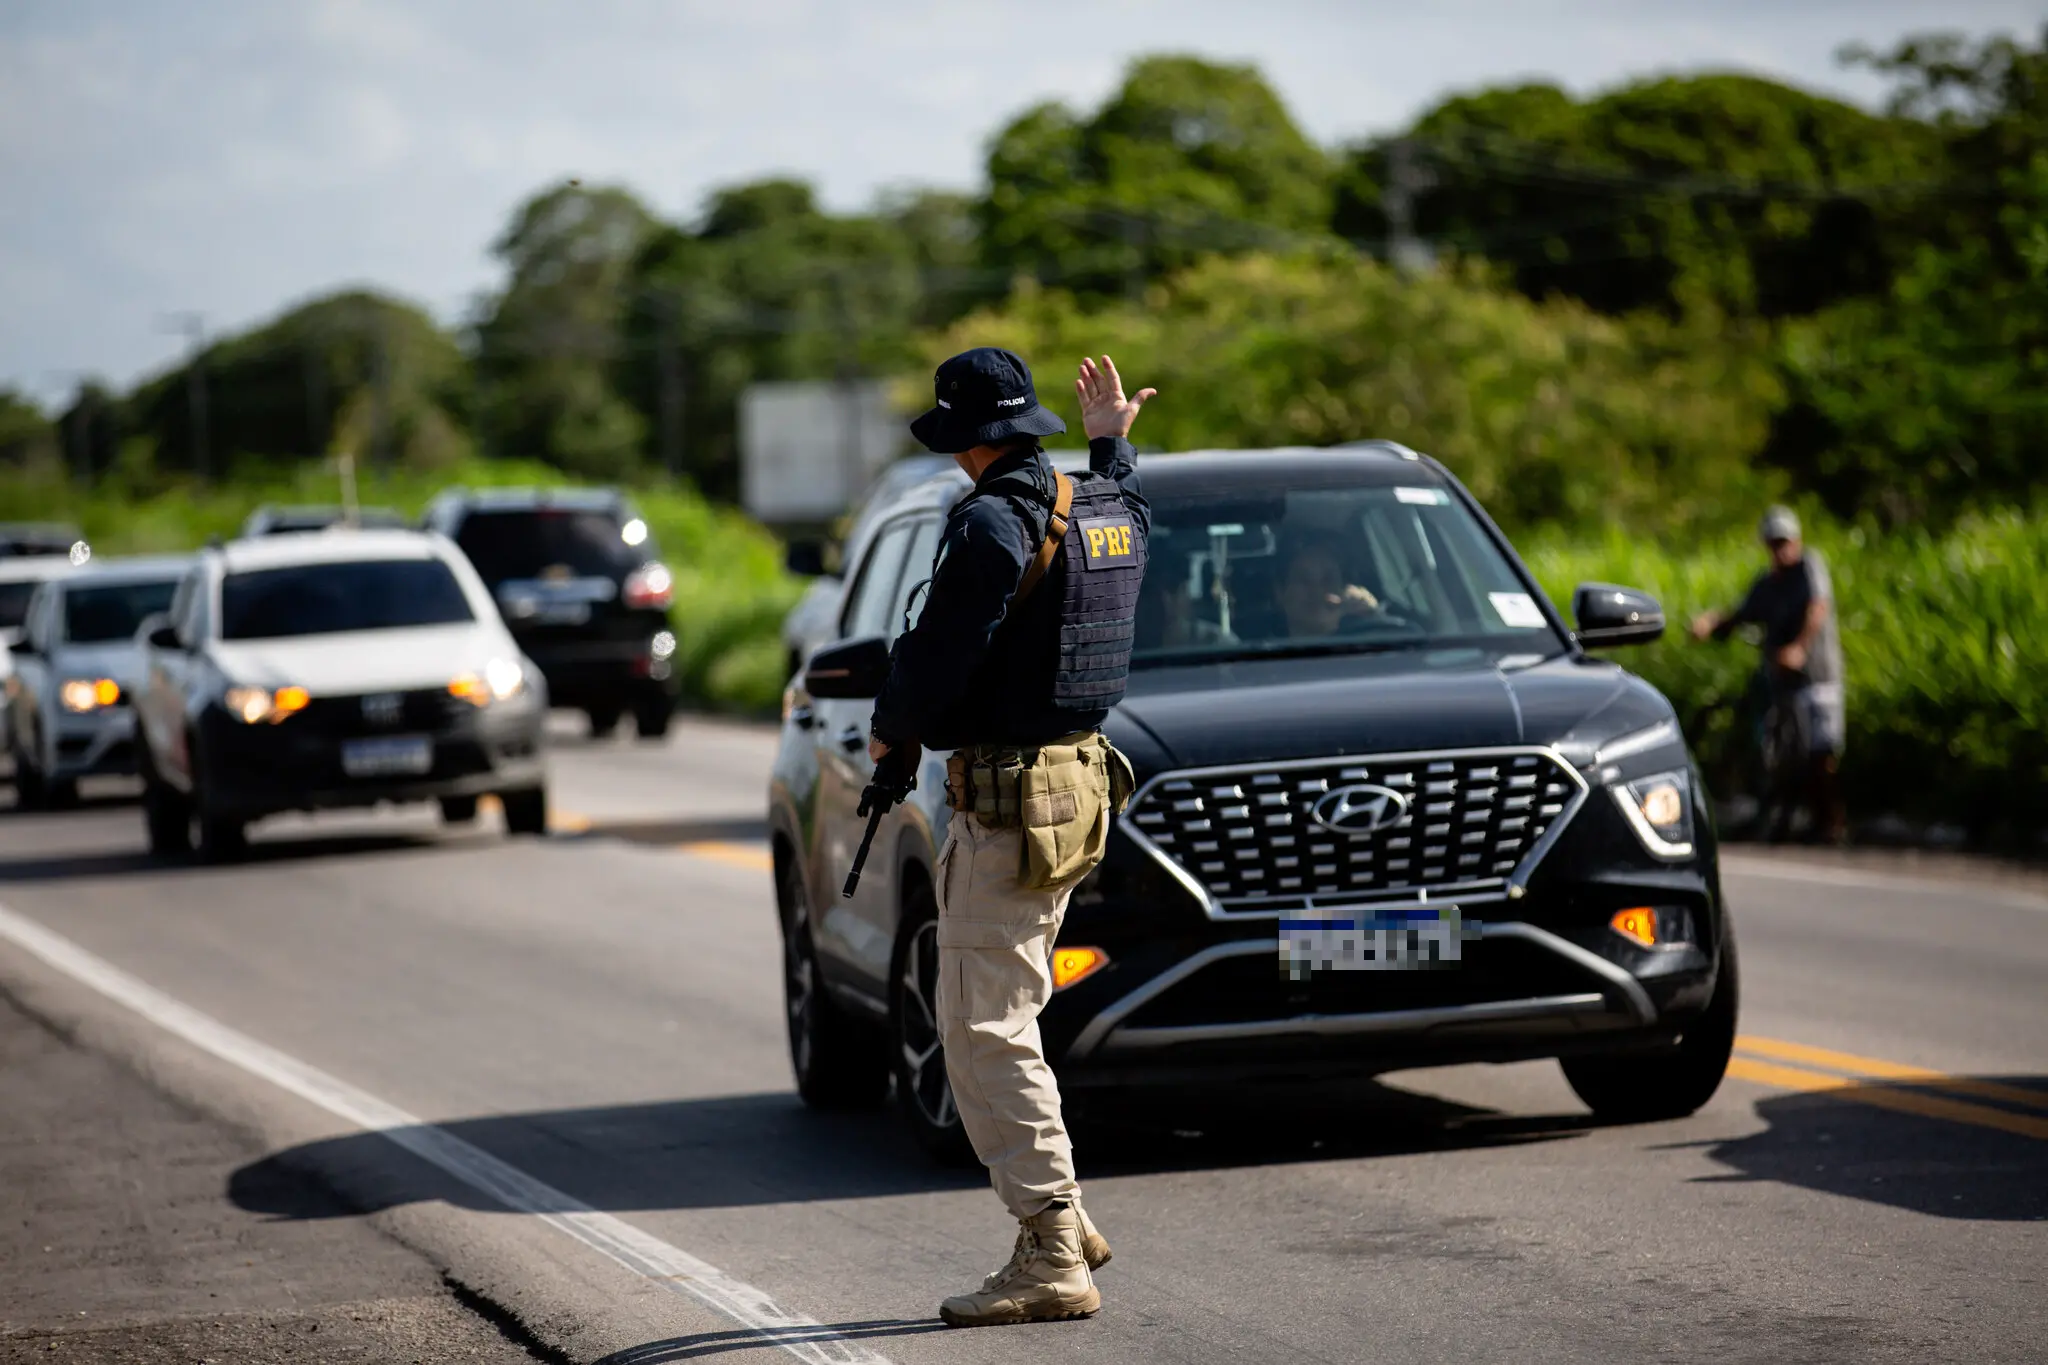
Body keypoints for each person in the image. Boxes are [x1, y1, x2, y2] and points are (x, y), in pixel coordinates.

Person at [867, 346, 1151, 1328]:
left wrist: (888, 726)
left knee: (985, 1029)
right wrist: (1109, 443)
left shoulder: (991, 523)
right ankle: (1061, 1213)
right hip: (1076, 788)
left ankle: (1049, 1244)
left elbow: (937, 663)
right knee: (986, 1015)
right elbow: (1118, 491)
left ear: (967, 440)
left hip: (1010, 800)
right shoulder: (1102, 506)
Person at [1690, 505, 1847, 843]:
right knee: (1775, 748)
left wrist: (1799, 648)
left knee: (1821, 754)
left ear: (1797, 539)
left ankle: (1831, 822)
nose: (1781, 549)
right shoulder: (1768, 583)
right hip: (1782, 683)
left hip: (1817, 676)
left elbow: (1817, 608)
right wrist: (1711, 623)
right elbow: (1742, 614)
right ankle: (1779, 815)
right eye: (1774, 543)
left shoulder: (1809, 567)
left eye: (1785, 541)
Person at [1275, 539, 1382, 638]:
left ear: (1345, 590)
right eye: (1304, 579)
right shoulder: (1262, 654)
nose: (1317, 591)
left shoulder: (1372, 648)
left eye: (1328, 579)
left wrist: (1374, 618)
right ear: (1280, 592)